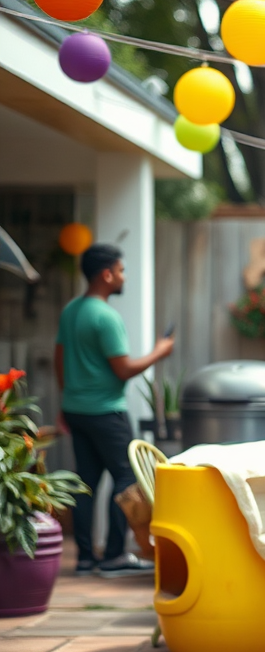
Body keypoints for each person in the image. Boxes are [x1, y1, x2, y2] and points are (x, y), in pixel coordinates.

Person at [55, 244, 174, 577]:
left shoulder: (71, 311)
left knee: (86, 482)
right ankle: (114, 556)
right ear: (106, 274)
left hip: (76, 409)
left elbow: (59, 358)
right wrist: (159, 352)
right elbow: (123, 369)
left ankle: (84, 559)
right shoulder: (106, 317)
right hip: (106, 411)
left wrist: (66, 400)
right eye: (120, 271)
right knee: (126, 480)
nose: (123, 277)